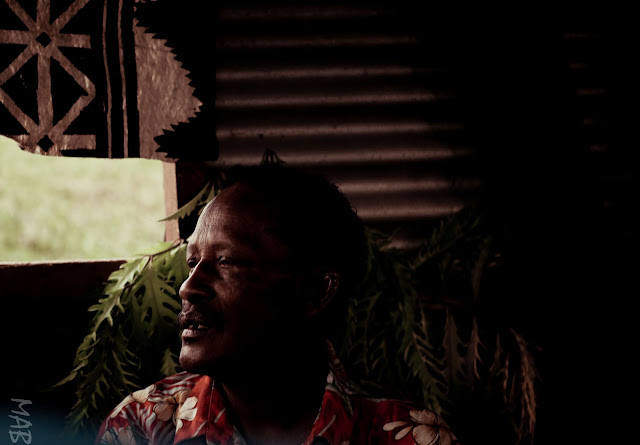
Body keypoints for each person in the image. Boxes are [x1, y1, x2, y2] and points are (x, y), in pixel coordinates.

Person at [96, 164, 458, 445]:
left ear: (316, 293)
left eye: (226, 262)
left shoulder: (408, 438)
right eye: (192, 263)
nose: (188, 288)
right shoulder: (142, 427)